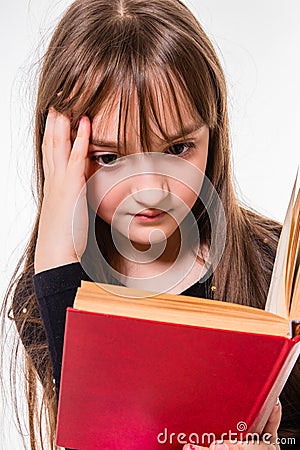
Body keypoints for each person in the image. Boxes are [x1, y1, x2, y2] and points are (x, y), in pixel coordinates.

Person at [1, 0, 299, 449]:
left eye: (178, 148)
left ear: (213, 135)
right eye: (110, 158)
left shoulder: (277, 263)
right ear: (60, 152)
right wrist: (58, 268)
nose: (151, 189)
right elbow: (97, 439)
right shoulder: (50, 285)